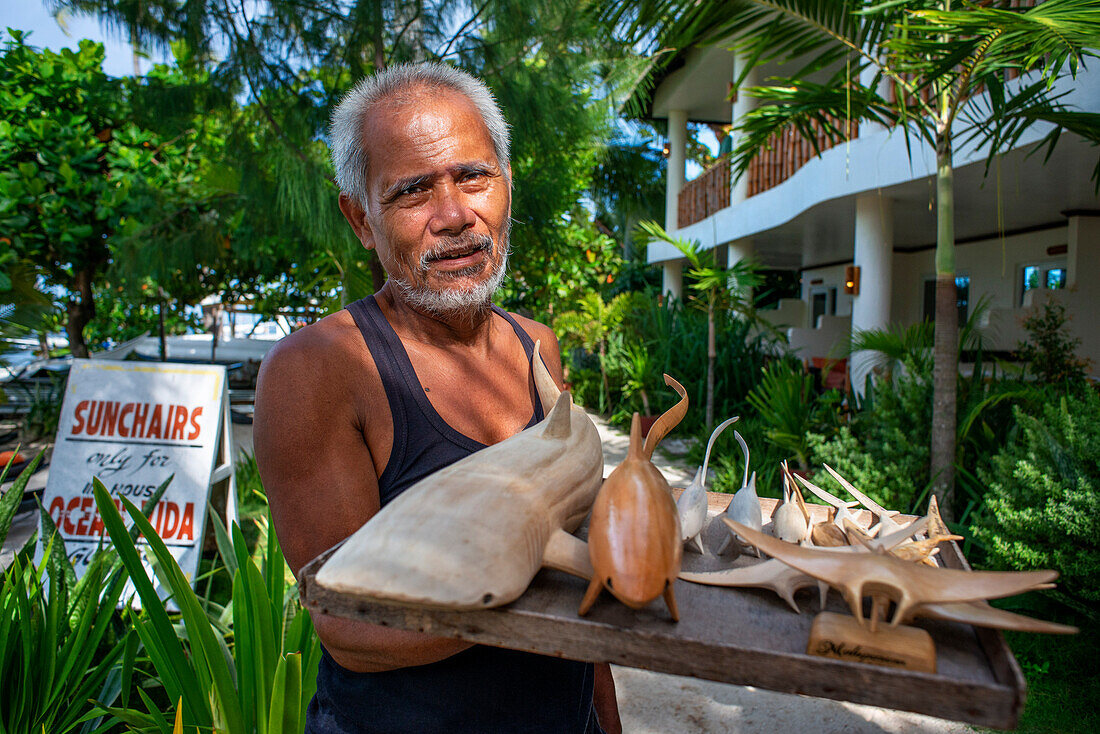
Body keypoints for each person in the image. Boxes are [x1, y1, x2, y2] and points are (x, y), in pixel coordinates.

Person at [254, 62, 622, 734]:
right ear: (361, 220)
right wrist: (576, 590)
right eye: (413, 191)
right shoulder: (319, 370)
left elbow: (579, 577)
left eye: (474, 176)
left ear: (506, 185)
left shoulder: (537, 345)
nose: (454, 216)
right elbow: (349, 626)